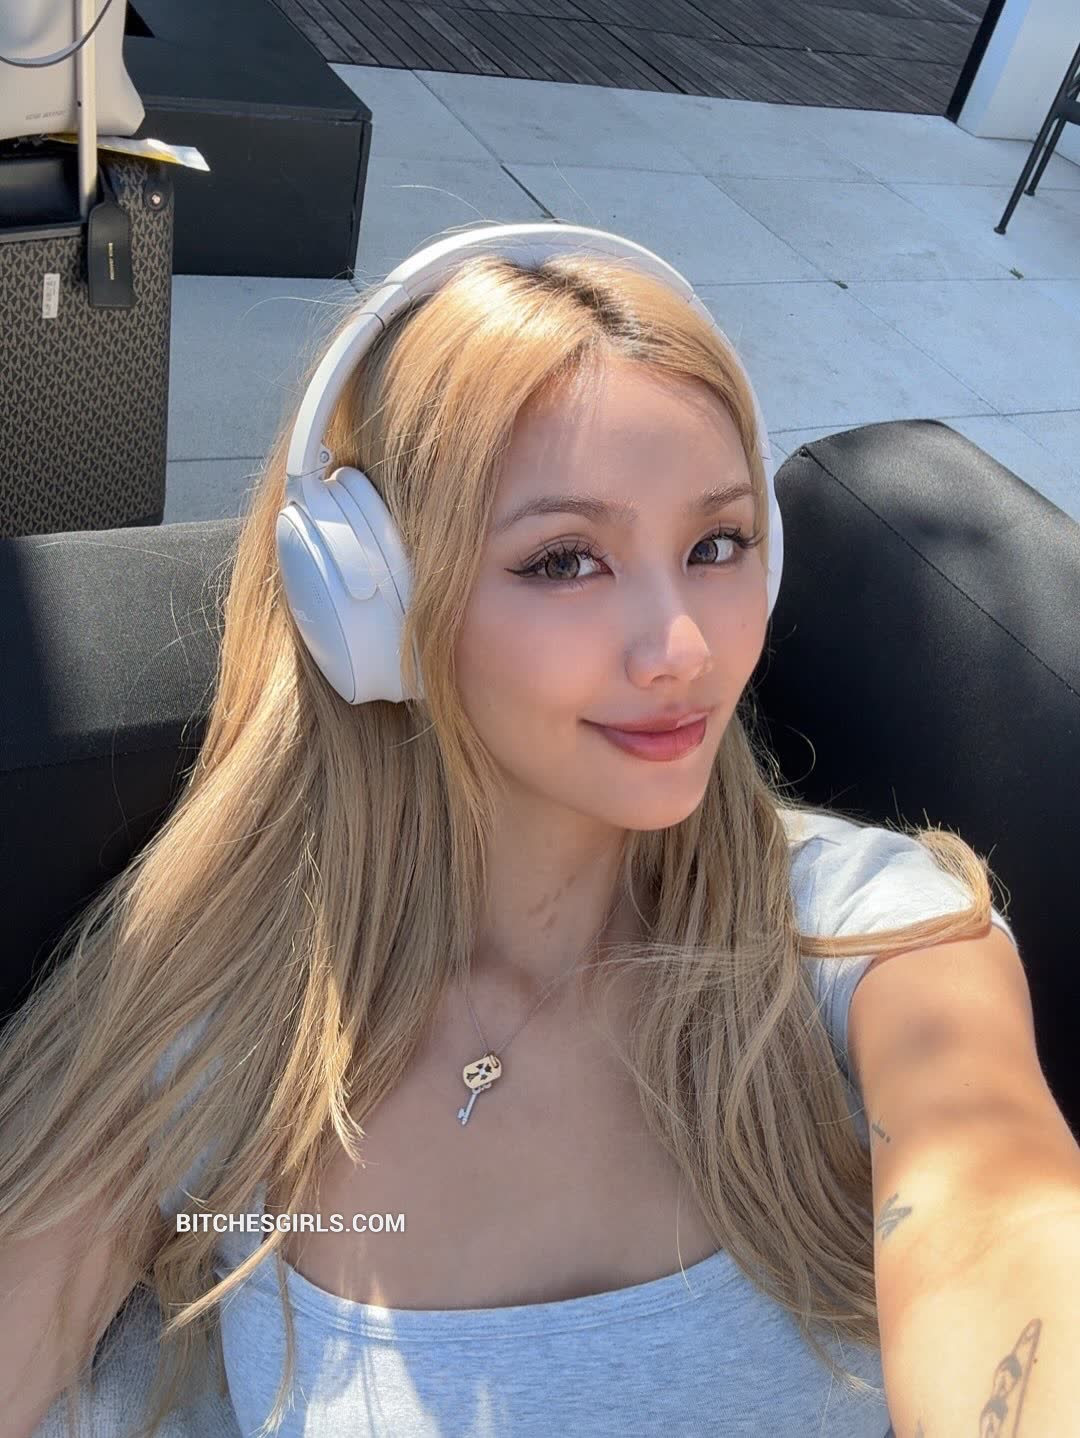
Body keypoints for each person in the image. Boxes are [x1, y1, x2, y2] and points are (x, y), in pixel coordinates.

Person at [0, 223, 1016, 1438]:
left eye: (718, 544)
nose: (683, 648)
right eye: (566, 560)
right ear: (370, 600)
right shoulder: (231, 1008)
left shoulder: (870, 937)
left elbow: (999, 1214)